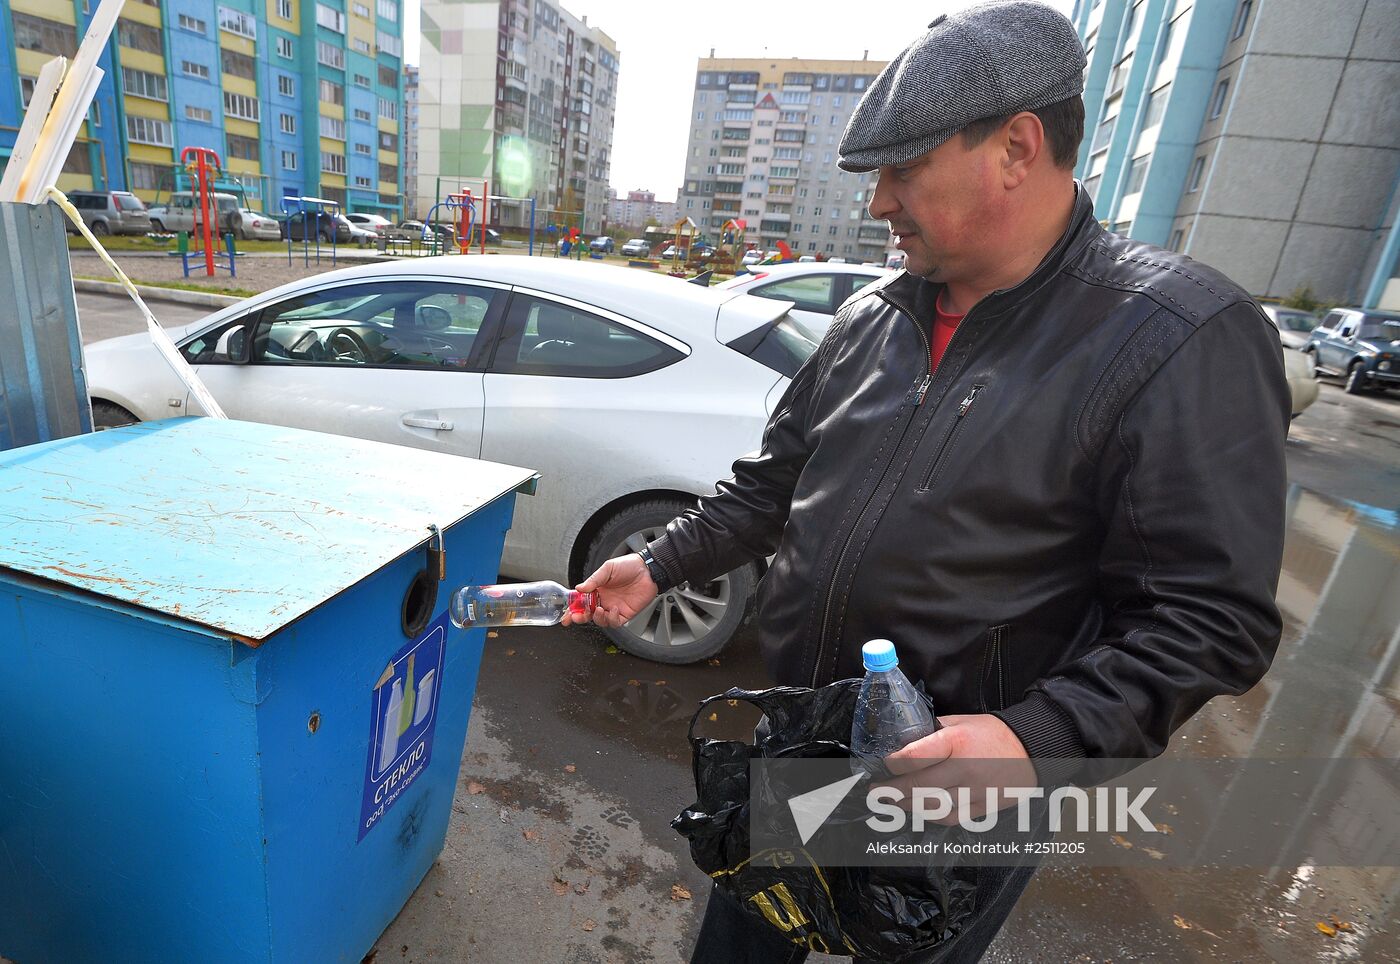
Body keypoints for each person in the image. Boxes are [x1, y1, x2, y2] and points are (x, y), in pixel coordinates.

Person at [563, 2, 1289, 960]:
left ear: (1018, 148)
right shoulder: (870, 319)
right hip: (803, 740)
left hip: (956, 784)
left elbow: (1209, 618)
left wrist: (1039, 737)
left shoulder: (1175, 337)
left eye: (903, 169)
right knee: (746, 938)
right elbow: (773, 485)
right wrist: (660, 563)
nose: (879, 204)